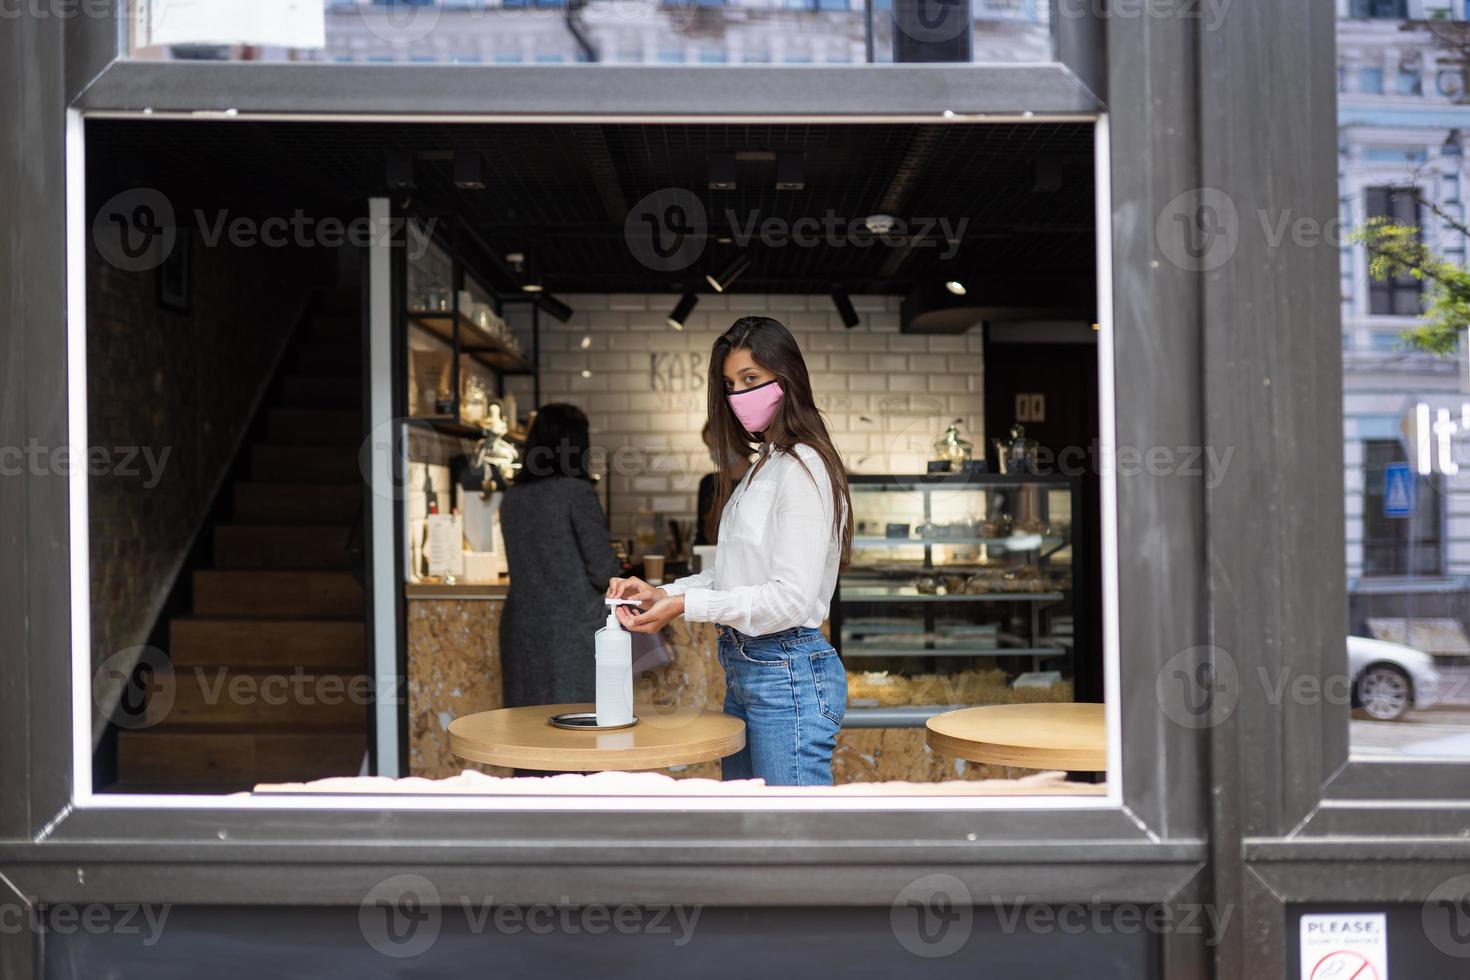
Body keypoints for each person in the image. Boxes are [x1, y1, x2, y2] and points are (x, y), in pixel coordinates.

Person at [607, 316, 853, 786]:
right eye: (729, 384)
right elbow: (734, 575)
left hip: (787, 676)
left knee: (788, 841)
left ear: (788, 377)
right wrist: (661, 592)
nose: (738, 396)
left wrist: (684, 605)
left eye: (751, 380)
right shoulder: (767, 464)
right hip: (750, 670)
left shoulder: (804, 468)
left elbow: (788, 600)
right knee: (750, 835)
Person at [500, 403, 620, 709]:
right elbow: (602, 570)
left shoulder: (512, 496)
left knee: (529, 723)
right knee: (576, 724)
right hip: (573, 628)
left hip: (522, 626)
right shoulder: (576, 492)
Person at [694, 420, 750, 547]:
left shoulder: (759, 478)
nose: (712, 454)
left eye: (716, 446)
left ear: (736, 441)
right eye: (710, 447)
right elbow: (706, 538)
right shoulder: (709, 483)